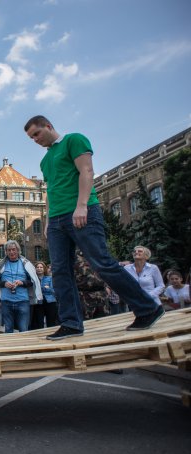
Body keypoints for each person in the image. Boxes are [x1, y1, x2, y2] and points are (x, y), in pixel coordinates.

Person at [24, 115, 164, 339]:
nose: (35, 140)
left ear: (48, 126)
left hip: (81, 212)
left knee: (103, 263)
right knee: (60, 272)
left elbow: (86, 171)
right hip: (57, 220)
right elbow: (50, 191)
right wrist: (49, 220)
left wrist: (82, 206)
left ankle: (148, 308)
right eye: (31, 138)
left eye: (37, 134)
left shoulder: (74, 140)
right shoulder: (46, 160)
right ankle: (71, 323)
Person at [0, 240, 42, 334]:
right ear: (6, 252)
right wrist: (4, 283)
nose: (11, 252)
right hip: (6, 302)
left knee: (24, 329)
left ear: (18, 250)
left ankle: (24, 349)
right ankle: (11, 349)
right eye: (9, 250)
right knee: (8, 329)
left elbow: (32, 282)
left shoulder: (26, 264)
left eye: (13, 249)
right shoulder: (1, 265)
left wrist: (22, 282)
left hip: (22, 301)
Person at [30, 261, 58, 329]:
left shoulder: (50, 278)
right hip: (38, 302)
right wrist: (45, 287)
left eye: (41, 267)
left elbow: (53, 290)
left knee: (51, 322)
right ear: (35, 269)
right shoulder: (33, 279)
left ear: (44, 269)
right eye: (37, 267)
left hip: (50, 302)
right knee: (39, 323)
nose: (39, 268)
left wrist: (43, 288)